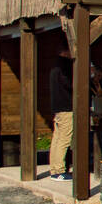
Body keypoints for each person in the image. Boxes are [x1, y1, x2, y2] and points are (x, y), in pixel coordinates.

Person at [47, 52, 74, 181]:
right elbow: (70, 85)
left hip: (57, 109)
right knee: (64, 139)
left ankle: (54, 168)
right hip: (66, 108)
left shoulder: (54, 68)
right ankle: (59, 170)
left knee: (57, 138)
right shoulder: (65, 69)